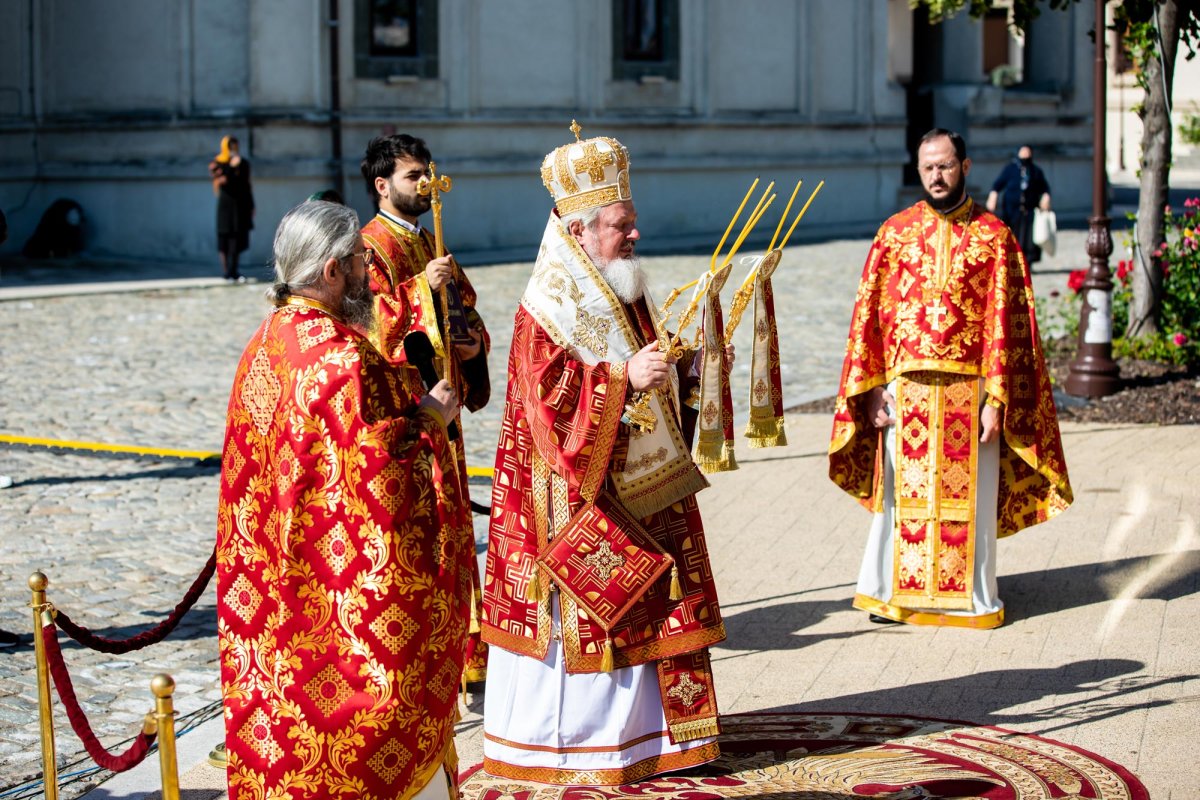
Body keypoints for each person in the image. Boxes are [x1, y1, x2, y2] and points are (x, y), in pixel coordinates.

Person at [479, 123, 725, 784]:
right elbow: (548, 407)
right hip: (569, 502)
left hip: (640, 481)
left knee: (658, 601)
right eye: (621, 225)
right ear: (579, 231)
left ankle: (652, 739)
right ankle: (576, 747)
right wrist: (621, 379)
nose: (634, 233)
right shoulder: (544, 310)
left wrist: (685, 368)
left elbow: (651, 365)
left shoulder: (624, 285)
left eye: (631, 220)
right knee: (598, 613)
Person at [215, 200, 475, 800]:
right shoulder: (344, 358)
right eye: (359, 261)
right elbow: (385, 477)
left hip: (277, 589)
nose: (367, 273)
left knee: (288, 716)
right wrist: (431, 419)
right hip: (338, 605)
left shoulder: (264, 343)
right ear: (333, 271)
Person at [829, 129, 1073, 630]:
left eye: (944, 165)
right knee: (901, 499)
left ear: (965, 166)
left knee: (970, 500)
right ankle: (890, 595)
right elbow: (869, 319)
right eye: (928, 168)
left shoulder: (995, 236)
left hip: (971, 394)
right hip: (906, 393)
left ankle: (971, 599)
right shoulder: (894, 233)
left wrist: (997, 401)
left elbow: (1009, 326)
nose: (936, 176)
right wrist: (871, 391)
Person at [360, 133, 491, 684]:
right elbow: (367, 325)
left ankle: (468, 648)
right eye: (414, 176)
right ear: (382, 184)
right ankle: (427, 651)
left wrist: (474, 345)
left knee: (455, 526)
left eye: (428, 174)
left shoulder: (430, 240)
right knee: (423, 529)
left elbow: (465, 311)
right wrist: (419, 289)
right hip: (410, 412)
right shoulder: (369, 248)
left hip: (447, 406)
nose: (426, 185)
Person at [986, 145, 1051, 264]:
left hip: (1029, 210)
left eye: (1027, 153)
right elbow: (997, 185)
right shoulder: (1010, 169)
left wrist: (1046, 197)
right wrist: (993, 196)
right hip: (1012, 211)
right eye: (1023, 152)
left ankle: (1027, 262)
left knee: (1028, 239)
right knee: (1012, 236)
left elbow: (1045, 188)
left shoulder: (1035, 171)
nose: (1025, 155)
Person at [208, 135, 255, 282]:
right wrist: (231, 166)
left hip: (240, 205)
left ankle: (233, 271)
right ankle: (226, 272)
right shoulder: (218, 163)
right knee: (224, 238)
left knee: (237, 237)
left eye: (235, 146)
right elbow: (220, 180)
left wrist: (251, 205)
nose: (233, 149)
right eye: (230, 146)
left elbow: (246, 185)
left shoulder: (243, 163)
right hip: (225, 206)